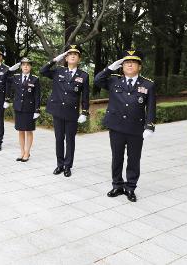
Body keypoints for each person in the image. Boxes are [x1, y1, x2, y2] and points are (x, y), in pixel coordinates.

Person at [94, 49, 155, 202]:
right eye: (126, 62)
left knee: (134, 159)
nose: (129, 65)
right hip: (116, 127)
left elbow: (151, 108)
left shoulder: (148, 84)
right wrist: (109, 68)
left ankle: (130, 187)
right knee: (117, 157)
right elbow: (97, 80)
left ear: (139, 66)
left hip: (136, 129)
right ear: (121, 66)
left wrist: (149, 126)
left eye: (133, 62)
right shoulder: (114, 80)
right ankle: (117, 185)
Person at [40, 44, 90, 177]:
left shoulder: (83, 75)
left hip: (71, 112)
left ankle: (68, 166)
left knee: (70, 140)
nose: (73, 56)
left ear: (79, 59)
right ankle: (59, 164)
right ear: (66, 58)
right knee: (59, 139)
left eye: (76, 54)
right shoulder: (58, 71)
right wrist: (55, 59)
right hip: (57, 110)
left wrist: (84, 111)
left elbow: (85, 96)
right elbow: (42, 71)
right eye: (69, 54)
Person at [5, 57, 41, 162]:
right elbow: (4, 77)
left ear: (30, 67)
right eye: (23, 64)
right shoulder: (15, 77)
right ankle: (22, 152)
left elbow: (37, 96)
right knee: (20, 130)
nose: (25, 66)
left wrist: (37, 110)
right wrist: (11, 69)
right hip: (18, 108)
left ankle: (27, 152)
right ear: (20, 67)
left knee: (29, 131)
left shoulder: (35, 79)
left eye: (28, 64)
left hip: (29, 109)